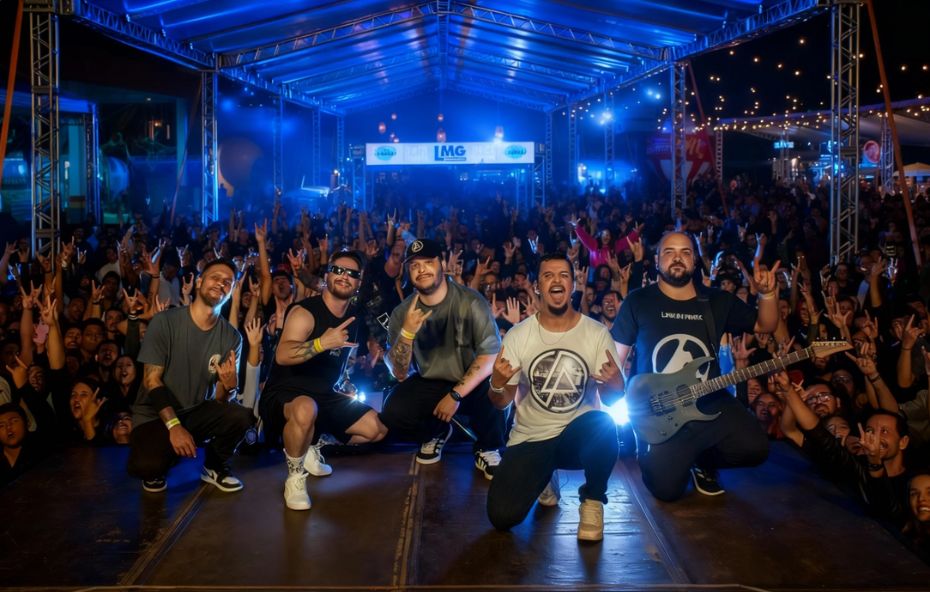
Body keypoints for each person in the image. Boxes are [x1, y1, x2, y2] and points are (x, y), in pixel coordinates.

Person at [611, 231, 779, 501]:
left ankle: (703, 461)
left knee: (755, 447)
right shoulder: (638, 301)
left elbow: (765, 326)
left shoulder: (716, 300)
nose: (677, 258)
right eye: (669, 252)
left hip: (709, 400)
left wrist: (768, 295)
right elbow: (616, 362)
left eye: (685, 252)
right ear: (657, 260)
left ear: (694, 260)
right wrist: (632, 409)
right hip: (660, 408)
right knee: (666, 490)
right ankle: (674, 456)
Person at [485, 253, 621, 542]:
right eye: (548, 275)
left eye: (563, 275)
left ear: (573, 284)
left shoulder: (596, 333)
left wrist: (617, 385)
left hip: (577, 436)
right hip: (531, 438)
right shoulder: (518, 335)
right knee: (501, 517)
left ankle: (593, 501)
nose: (556, 280)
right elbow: (501, 401)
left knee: (605, 424)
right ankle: (544, 475)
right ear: (537, 286)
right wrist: (497, 385)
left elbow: (612, 400)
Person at [260, 250, 388, 511]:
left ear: (358, 283)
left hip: (324, 396)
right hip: (286, 395)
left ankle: (312, 442)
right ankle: (295, 477)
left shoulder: (353, 317)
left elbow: (339, 360)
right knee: (306, 407)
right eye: (338, 270)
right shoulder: (304, 312)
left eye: (352, 274)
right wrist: (320, 343)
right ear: (327, 275)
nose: (344, 276)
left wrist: (347, 378)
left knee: (377, 429)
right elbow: (283, 355)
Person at [382, 238, 506, 479]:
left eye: (428, 262)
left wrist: (455, 395)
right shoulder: (401, 313)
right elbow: (398, 372)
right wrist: (407, 333)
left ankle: (487, 447)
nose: (421, 270)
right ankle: (435, 433)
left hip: (472, 381)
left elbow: (490, 355)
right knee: (393, 411)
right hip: (431, 381)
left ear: (441, 264)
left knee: (497, 385)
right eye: (415, 266)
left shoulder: (470, 301)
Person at [127, 259, 253, 493]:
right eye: (215, 277)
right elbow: (151, 380)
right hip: (155, 415)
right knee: (148, 466)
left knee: (242, 416)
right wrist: (174, 426)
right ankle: (163, 458)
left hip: (196, 411)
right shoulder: (165, 322)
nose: (221, 284)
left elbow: (220, 401)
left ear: (231, 291)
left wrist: (230, 387)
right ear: (199, 281)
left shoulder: (231, 337)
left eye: (228, 282)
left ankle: (214, 467)